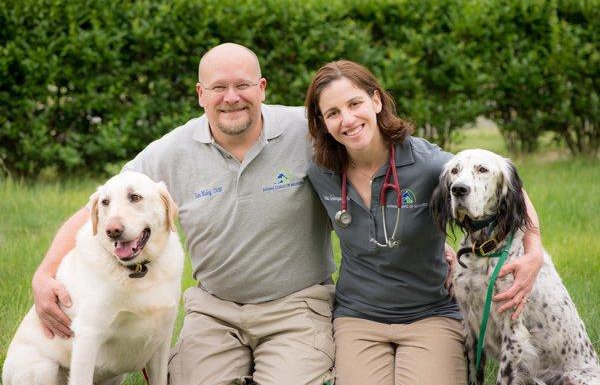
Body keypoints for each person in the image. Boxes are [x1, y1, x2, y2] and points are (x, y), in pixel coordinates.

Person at [31, 43, 337, 385]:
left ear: (262, 88)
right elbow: (103, 207)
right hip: (214, 311)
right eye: (219, 87)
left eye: (243, 85)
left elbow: (367, 145)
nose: (231, 97)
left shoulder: (307, 131)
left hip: (295, 307)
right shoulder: (170, 152)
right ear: (200, 94)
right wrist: (44, 274)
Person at [304, 60, 544, 385]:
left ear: (376, 101)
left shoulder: (426, 162)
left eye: (355, 103)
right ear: (322, 121)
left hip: (431, 313)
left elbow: (511, 188)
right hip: (357, 316)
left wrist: (534, 250)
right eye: (332, 113)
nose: (347, 119)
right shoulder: (321, 170)